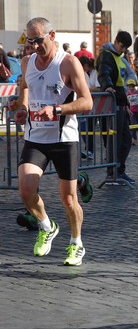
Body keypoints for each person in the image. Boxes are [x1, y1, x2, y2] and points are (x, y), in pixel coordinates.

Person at [13, 17, 93, 265]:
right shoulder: (27, 62)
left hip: (63, 139)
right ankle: (47, 226)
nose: (34, 46)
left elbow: (87, 101)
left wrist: (58, 110)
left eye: (38, 40)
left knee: (68, 199)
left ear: (52, 35)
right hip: (35, 136)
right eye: (30, 41)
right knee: (26, 190)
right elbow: (25, 87)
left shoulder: (68, 63)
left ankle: (76, 242)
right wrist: (23, 108)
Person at [96, 30, 135, 184]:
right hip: (112, 103)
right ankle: (113, 172)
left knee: (125, 139)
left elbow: (121, 83)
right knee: (115, 140)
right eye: (122, 46)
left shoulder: (119, 58)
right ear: (116, 42)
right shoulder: (107, 55)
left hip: (119, 102)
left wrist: (126, 104)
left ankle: (119, 170)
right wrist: (107, 86)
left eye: (125, 48)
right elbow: (104, 73)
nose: (123, 50)